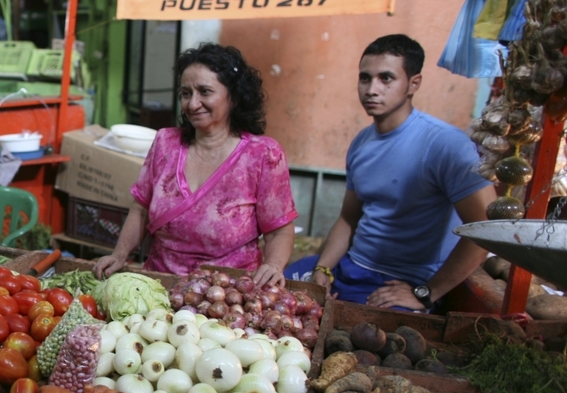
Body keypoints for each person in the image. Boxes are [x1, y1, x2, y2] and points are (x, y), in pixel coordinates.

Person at [286, 35, 494, 310]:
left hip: (400, 283)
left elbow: (485, 230)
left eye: (386, 78)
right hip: (351, 265)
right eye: (364, 78)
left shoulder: (445, 145)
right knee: (279, 290)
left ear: (413, 83)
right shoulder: (362, 142)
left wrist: (425, 293)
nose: (372, 89)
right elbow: (348, 219)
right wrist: (323, 268)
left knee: (362, 338)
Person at [93, 44, 298, 286]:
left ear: (233, 96)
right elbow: (141, 209)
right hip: (161, 285)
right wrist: (119, 254)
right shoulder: (165, 143)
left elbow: (279, 230)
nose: (192, 104)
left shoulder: (262, 154)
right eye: (186, 93)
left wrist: (273, 265)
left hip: (229, 294)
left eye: (205, 91)